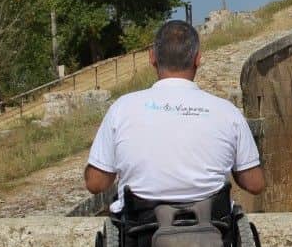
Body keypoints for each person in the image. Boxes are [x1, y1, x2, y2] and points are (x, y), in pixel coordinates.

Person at [84, 20, 265, 213]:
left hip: (142, 233)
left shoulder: (122, 108)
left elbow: (96, 184)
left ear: (152, 57)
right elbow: (255, 184)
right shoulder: (227, 112)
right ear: (198, 59)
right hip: (210, 233)